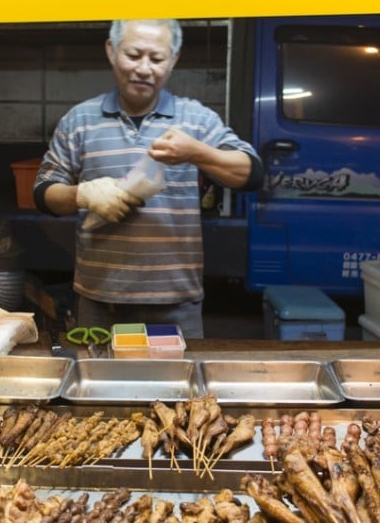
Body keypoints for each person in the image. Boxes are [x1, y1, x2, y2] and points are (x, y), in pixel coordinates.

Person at [33, 19, 263, 337]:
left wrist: (197, 152)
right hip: (100, 303)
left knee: (177, 388)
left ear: (173, 60)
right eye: (133, 55)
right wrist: (82, 195)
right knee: (98, 386)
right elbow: (43, 193)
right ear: (112, 51)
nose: (144, 68)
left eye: (156, 59)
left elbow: (251, 173)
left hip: (176, 306)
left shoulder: (197, 119)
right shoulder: (79, 120)